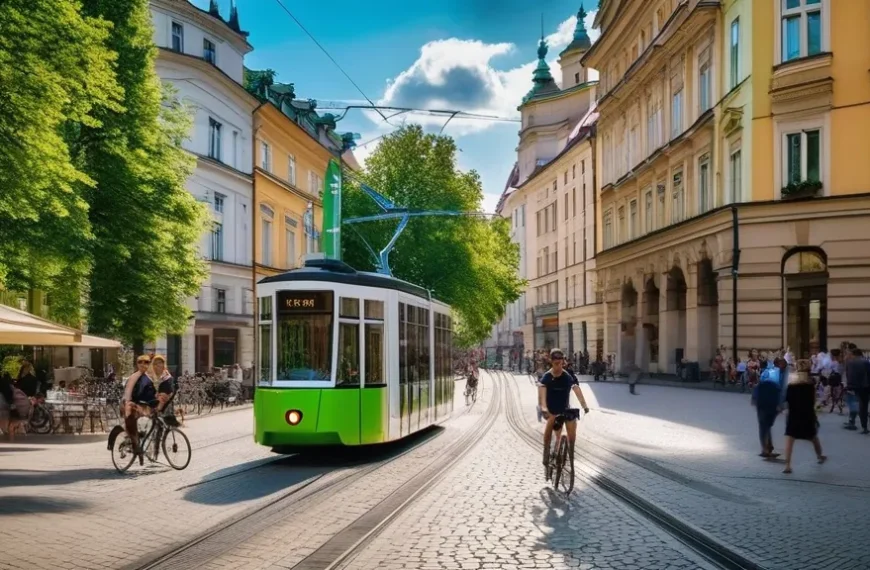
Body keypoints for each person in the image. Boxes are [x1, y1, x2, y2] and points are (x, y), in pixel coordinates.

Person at [539, 348, 590, 466]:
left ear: (563, 361)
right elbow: (542, 391)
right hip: (551, 409)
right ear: (551, 361)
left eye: (560, 361)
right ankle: (547, 451)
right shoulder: (547, 377)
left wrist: (584, 405)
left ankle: (569, 451)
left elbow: (575, 388)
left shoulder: (567, 376)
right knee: (551, 425)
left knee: (571, 424)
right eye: (555, 361)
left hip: (563, 408)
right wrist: (544, 408)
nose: (558, 364)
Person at [782, 362, 827, 474]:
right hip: (807, 415)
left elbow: (786, 400)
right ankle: (820, 456)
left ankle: (787, 465)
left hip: (793, 415)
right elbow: (813, 401)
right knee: (813, 438)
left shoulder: (791, 386)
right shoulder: (810, 387)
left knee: (790, 440)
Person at [121, 355, 157, 461]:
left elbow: (152, 395)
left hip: (143, 407)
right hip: (131, 406)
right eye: (140, 362)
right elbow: (128, 395)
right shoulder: (133, 378)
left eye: (146, 362)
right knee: (132, 421)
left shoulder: (148, 379)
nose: (143, 364)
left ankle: (143, 445)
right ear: (137, 364)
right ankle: (136, 446)